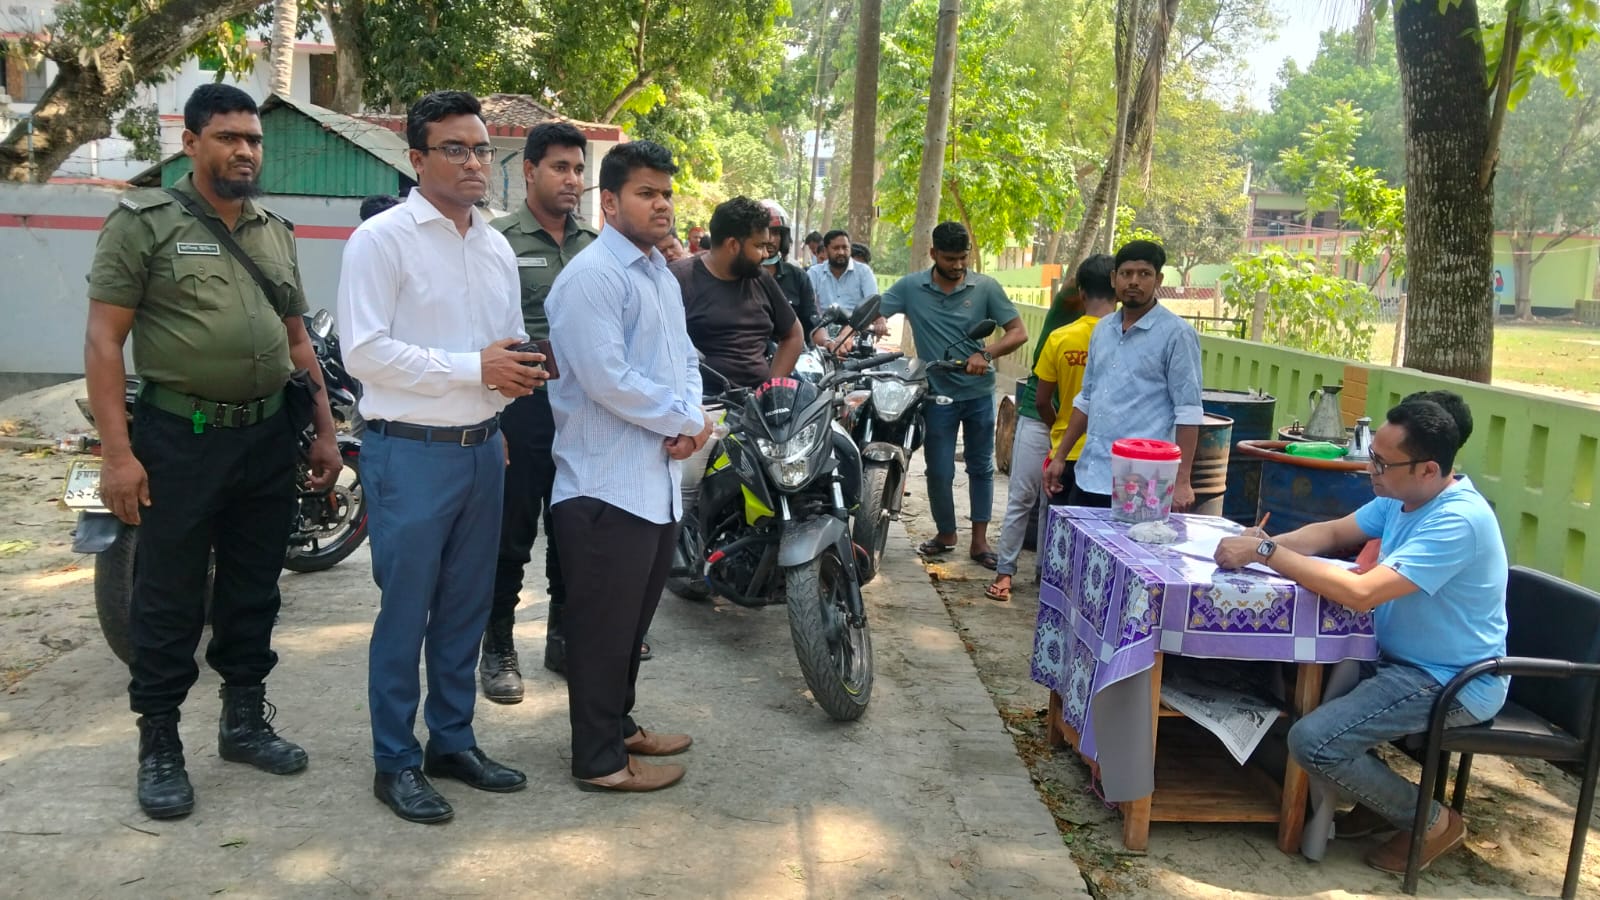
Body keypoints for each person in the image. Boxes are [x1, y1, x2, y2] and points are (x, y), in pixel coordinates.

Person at [84, 83, 340, 820]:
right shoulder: (144, 224)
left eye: (253, 139)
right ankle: (160, 743)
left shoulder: (274, 231)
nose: (245, 151)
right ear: (191, 142)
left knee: (254, 586)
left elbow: (298, 341)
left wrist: (324, 430)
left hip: (265, 435)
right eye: (228, 137)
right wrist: (118, 454)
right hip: (180, 438)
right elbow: (104, 340)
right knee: (167, 596)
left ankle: (243, 721)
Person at [338, 91, 540, 824]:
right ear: (417, 158)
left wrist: (514, 378)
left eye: (482, 149)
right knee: (407, 611)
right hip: (410, 453)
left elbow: (504, 343)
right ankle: (395, 759)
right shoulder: (382, 241)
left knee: (464, 607)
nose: (475, 162)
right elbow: (363, 352)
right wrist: (472, 369)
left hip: (483, 450)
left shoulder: (493, 245)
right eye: (455, 148)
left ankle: (451, 740)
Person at [1213, 398, 1507, 876]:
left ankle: (1432, 821)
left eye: (1382, 463)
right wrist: (1258, 544)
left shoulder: (1458, 521)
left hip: (1449, 679)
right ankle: (1377, 801)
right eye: (1373, 455)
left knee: (1314, 741)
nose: (1370, 469)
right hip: (1393, 658)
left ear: (1429, 469)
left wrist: (1265, 553)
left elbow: (1361, 592)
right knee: (1283, 683)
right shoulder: (1401, 496)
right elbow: (1331, 533)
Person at [546, 141, 705, 793]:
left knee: (630, 626)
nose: (662, 204)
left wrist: (688, 418)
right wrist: (681, 422)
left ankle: (619, 726)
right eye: (646, 192)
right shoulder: (592, 277)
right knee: (602, 632)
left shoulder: (659, 273)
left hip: (654, 483)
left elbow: (686, 358)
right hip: (603, 487)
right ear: (609, 202)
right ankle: (600, 762)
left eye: (666, 193)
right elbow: (606, 378)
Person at [475, 122, 599, 704]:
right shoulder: (495, 241)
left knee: (576, 530)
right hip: (521, 409)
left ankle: (564, 637)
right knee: (511, 534)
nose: (572, 179)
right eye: (560, 167)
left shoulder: (595, 245)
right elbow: (479, 329)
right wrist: (491, 419)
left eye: (578, 169)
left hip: (585, 413)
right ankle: (498, 645)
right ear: (529, 170)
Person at [880, 221, 1027, 568]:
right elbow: (877, 310)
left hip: (979, 393)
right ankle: (946, 533)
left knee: (981, 467)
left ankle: (979, 542)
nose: (958, 265)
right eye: (950, 258)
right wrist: (878, 321)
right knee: (938, 470)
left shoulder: (986, 288)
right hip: (936, 395)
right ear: (933, 253)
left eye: (963, 257)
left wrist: (985, 354)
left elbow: (1018, 332)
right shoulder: (911, 287)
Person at [984, 255, 1112, 602]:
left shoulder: (1119, 333)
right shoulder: (1063, 315)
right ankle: (1010, 571)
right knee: (1030, 498)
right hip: (1047, 421)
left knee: (1043, 502)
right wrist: (1060, 428)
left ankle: (1041, 574)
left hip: (1063, 427)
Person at [1043, 240, 1203, 511]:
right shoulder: (1102, 330)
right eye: (1126, 273)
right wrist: (1059, 457)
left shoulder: (1177, 335)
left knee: (1134, 541)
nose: (1134, 281)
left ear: (1158, 280)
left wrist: (1183, 481)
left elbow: (1188, 412)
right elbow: (1087, 399)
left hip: (1143, 483)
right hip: (1090, 474)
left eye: (1144, 274)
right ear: (1113, 278)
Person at [672, 196, 805, 388]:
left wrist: (770, 389)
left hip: (757, 403)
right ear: (733, 245)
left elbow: (794, 335)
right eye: (759, 246)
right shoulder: (677, 280)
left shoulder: (761, 278)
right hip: (702, 402)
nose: (766, 254)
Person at [1036, 255, 1119, 506]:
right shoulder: (1126, 339)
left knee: (1062, 526)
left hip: (1066, 452)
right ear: (1117, 291)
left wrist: (1059, 427)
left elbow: (1041, 401)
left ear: (1081, 293)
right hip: (1109, 455)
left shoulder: (1059, 338)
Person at [757, 201, 827, 346]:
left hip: (791, 354)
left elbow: (811, 321)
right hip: (749, 355)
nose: (770, 239)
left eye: (775, 233)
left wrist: (828, 343)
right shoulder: (739, 275)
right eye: (764, 232)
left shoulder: (798, 276)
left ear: (783, 238)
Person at [807, 229, 877, 314]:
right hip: (823, 321)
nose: (841, 252)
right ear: (826, 250)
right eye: (836, 248)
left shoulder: (864, 272)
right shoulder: (815, 273)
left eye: (845, 247)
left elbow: (872, 306)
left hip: (855, 322)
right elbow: (808, 305)